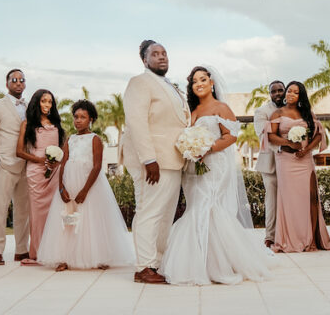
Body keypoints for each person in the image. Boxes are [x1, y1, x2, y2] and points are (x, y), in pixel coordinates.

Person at [159, 67, 271, 285]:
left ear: (212, 83)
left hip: (215, 166)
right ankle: (204, 261)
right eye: (194, 81)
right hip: (193, 168)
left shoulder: (221, 107)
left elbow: (231, 137)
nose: (199, 83)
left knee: (207, 208)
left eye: (203, 79)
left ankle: (210, 265)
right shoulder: (191, 110)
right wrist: (191, 149)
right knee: (197, 208)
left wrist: (207, 148)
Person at [122, 40, 190, 284]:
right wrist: (149, 159)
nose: (162, 57)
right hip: (155, 161)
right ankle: (143, 267)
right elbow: (137, 122)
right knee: (149, 213)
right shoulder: (139, 83)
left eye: (164, 53)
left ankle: (157, 262)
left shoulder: (171, 85)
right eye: (155, 54)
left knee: (164, 215)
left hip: (173, 159)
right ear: (144, 60)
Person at [37, 100, 134, 271]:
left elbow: (97, 166)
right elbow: (63, 163)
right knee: (67, 219)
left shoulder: (95, 139)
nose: (78, 120)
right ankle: (63, 258)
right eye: (76, 117)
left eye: (83, 117)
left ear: (91, 119)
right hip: (69, 182)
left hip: (89, 184)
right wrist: (61, 187)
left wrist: (85, 190)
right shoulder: (70, 139)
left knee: (91, 219)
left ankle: (99, 256)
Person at [268, 81, 330, 253]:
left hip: (305, 161)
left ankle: (312, 239)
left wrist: (306, 150)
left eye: (295, 92)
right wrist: (288, 142)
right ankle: (292, 239)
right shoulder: (278, 113)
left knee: (311, 199)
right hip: (286, 161)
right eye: (289, 91)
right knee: (290, 201)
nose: (290, 94)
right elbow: (271, 137)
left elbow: (319, 135)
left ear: (300, 96)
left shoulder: (307, 113)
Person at [0, 69, 31, 265]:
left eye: (21, 80)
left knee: (23, 212)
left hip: (26, 165)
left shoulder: (29, 106)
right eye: (14, 80)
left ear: (24, 84)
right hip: (5, 166)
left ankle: (21, 250)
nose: (18, 83)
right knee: (0, 210)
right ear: (7, 83)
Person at [16, 88, 67, 266]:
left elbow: (62, 149)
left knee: (55, 211)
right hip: (36, 172)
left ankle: (55, 250)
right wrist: (39, 160)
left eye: (50, 102)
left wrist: (57, 162)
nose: (47, 105)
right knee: (37, 214)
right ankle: (37, 251)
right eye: (44, 101)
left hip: (54, 172)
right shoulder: (27, 123)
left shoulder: (56, 124)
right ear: (37, 102)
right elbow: (19, 151)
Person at [253, 81, 284, 248]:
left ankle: (288, 233)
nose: (278, 94)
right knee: (271, 200)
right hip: (270, 163)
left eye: (281, 90)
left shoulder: (294, 108)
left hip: (291, 163)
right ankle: (270, 236)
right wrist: (283, 147)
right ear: (270, 93)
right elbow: (264, 136)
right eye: (274, 91)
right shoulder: (262, 111)